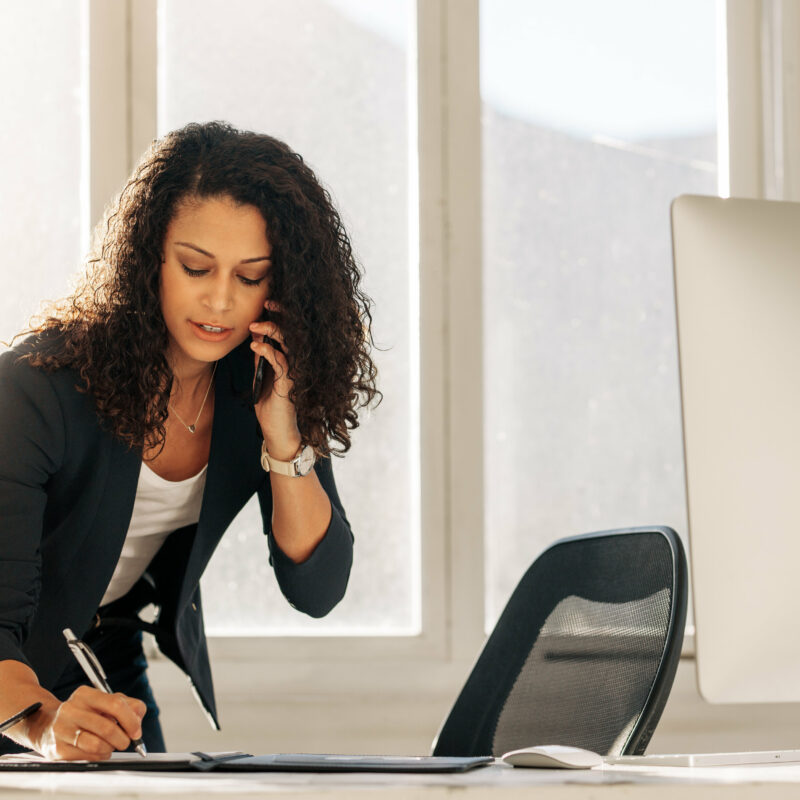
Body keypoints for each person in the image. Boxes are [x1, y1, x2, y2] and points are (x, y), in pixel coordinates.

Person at [0, 121, 379, 760]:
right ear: (147, 258)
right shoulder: (35, 390)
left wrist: (283, 437)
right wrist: (41, 725)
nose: (220, 300)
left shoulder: (261, 384)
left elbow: (317, 588)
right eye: (195, 267)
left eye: (250, 276)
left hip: (99, 657)